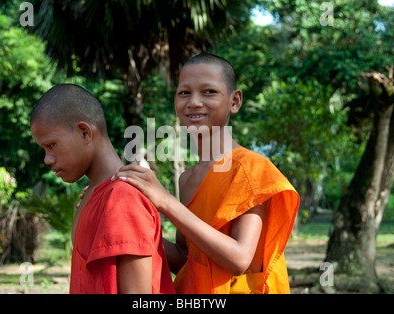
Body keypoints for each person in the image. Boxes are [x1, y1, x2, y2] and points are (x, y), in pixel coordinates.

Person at [112, 54, 300, 294]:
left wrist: (165, 201)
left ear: (235, 101)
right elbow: (185, 258)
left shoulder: (251, 168)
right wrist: (129, 221)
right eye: (184, 93)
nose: (194, 102)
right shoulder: (187, 178)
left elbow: (240, 259)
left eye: (209, 92)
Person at [30, 84, 175, 294]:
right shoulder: (95, 195)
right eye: (44, 149)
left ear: (84, 132)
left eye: (51, 145)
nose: (47, 159)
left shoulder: (123, 197)